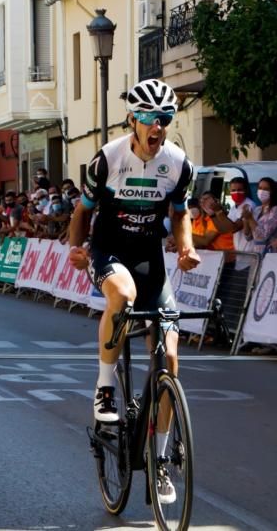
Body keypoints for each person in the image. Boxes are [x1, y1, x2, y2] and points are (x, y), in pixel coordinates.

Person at [67, 79, 199, 505]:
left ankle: (159, 462)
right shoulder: (108, 158)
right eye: (147, 117)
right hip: (108, 251)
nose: (156, 124)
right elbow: (81, 212)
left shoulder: (179, 164)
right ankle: (105, 385)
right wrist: (75, 248)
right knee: (121, 296)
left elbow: (180, 215)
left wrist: (187, 246)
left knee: (170, 359)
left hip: (149, 259)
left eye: (163, 118)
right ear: (133, 120)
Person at [205, 176, 256, 253]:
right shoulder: (233, 208)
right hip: (239, 252)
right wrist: (213, 215)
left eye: (239, 190)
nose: (236, 193)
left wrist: (219, 211)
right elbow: (223, 230)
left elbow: (234, 228)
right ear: (230, 191)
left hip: (250, 252)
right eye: (233, 190)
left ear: (245, 190)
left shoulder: (248, 205)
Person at [241, 176, 277, 254]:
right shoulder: (257, 209)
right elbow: (248, 237)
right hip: (257, 254)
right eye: (260, 188)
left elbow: (263, 236)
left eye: (266, 189)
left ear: (272, 191)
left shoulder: (276, 210)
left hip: (271, 254)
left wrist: (250, 218)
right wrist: (245, 218)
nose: (262, 191)